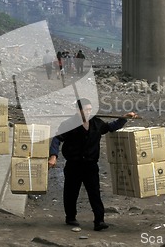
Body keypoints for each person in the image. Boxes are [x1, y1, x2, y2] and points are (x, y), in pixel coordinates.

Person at [48, 98, 137, 231]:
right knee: (71, 192)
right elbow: (57, 139)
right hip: (74, 164)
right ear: (78, 111)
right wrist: (53, 156)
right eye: (86, 110)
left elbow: (110, 127)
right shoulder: (68, 124)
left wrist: (123, 118)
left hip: (90, 165)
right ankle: (70, 217)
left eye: (90, 110)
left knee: (94, 192)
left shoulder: (96, 123)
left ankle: (99, 220)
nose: (89, 112)